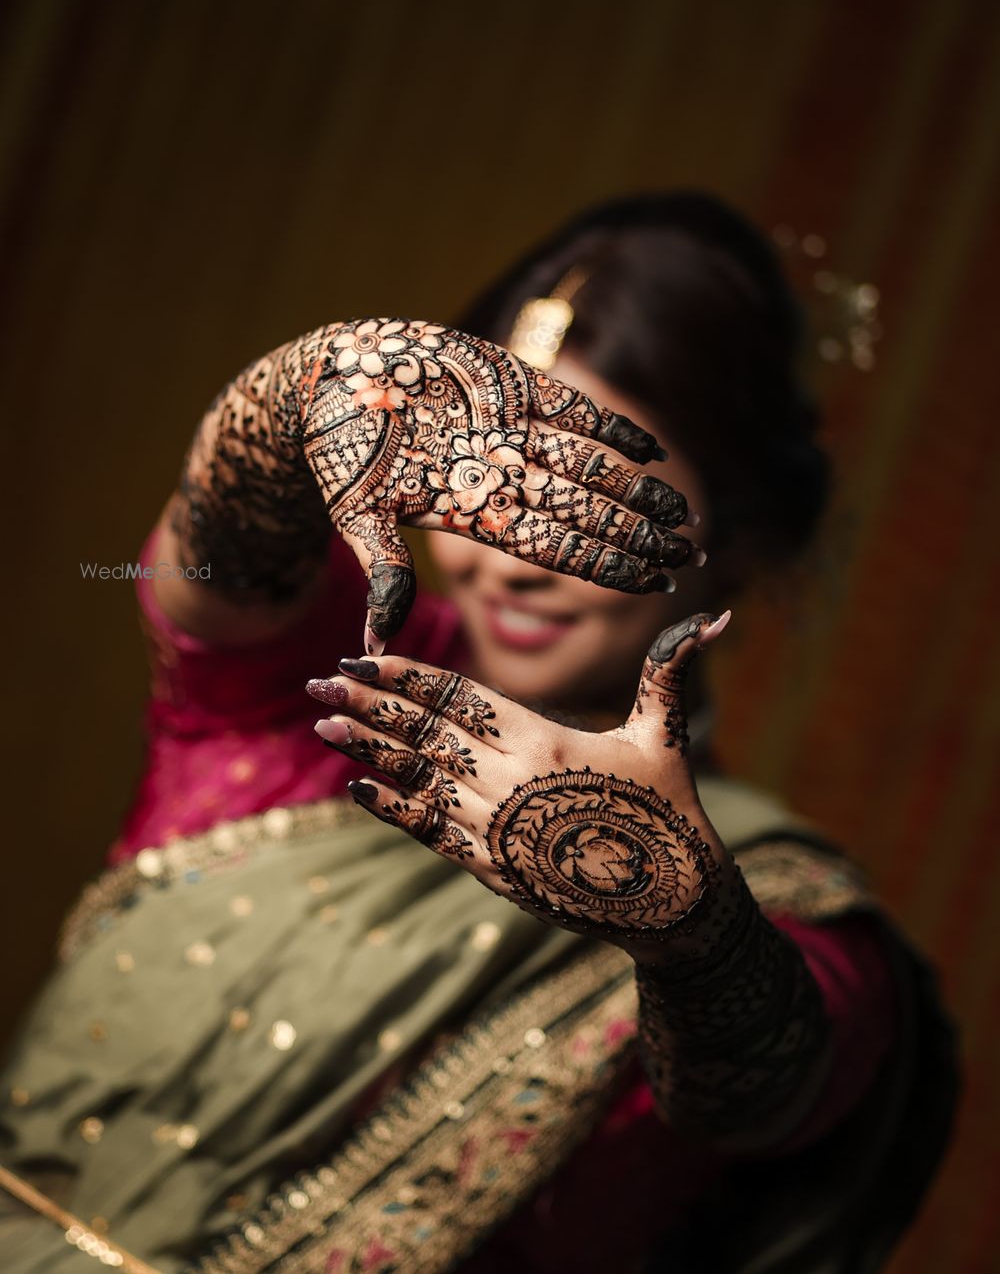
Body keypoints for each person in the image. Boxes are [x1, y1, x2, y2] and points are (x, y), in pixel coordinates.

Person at [0, 194, 956, 1274]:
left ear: (733, 542)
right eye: (479, 480)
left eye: (584, 494)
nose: (509, 555)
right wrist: (292, 397)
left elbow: (765, 1091)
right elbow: (208, 571)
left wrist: (689, 929)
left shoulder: (783, 904)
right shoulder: (323, 677)